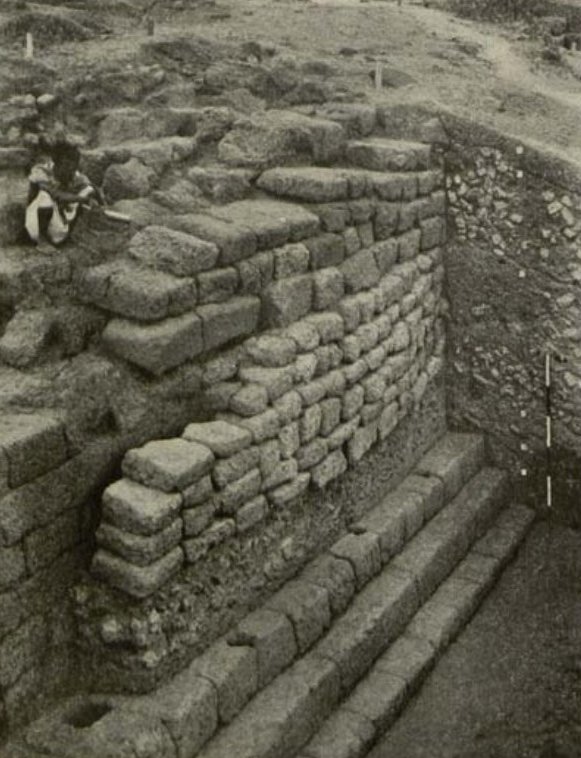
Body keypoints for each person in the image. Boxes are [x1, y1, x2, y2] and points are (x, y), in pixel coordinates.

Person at [25, 138, 102, 251]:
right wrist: (82, 199)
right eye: (67, 165)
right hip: (35, 224)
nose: (71, 169)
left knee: (88, 190)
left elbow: (92, 187)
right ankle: (42, 241)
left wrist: (98, 201)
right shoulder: (41, 171)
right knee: (44, 196)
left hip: (59, 226)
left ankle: (72, 235)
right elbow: (57, 195)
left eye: (74, 166)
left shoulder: (73, 175)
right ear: (57, 162)